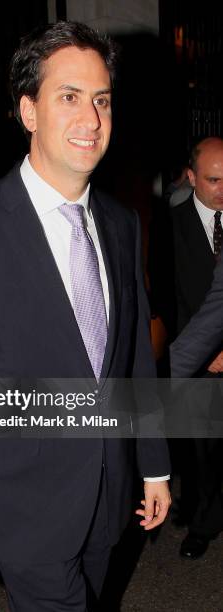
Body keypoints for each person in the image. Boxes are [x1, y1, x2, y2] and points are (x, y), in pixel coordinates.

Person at [0, 22, 171, 611]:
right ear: (27, 110)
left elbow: (133, 358)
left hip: (108, 492)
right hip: (24, 501)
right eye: (69, 97)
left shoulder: (121, 222)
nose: (91, 118)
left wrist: (154, 465)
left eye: (101, 100)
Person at [171, 137, 223, 559]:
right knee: (201, 450)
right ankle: (203, 523)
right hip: (198, 364)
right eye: (213, 179)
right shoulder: (168, 228)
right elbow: (173, 305)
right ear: (191, 178)